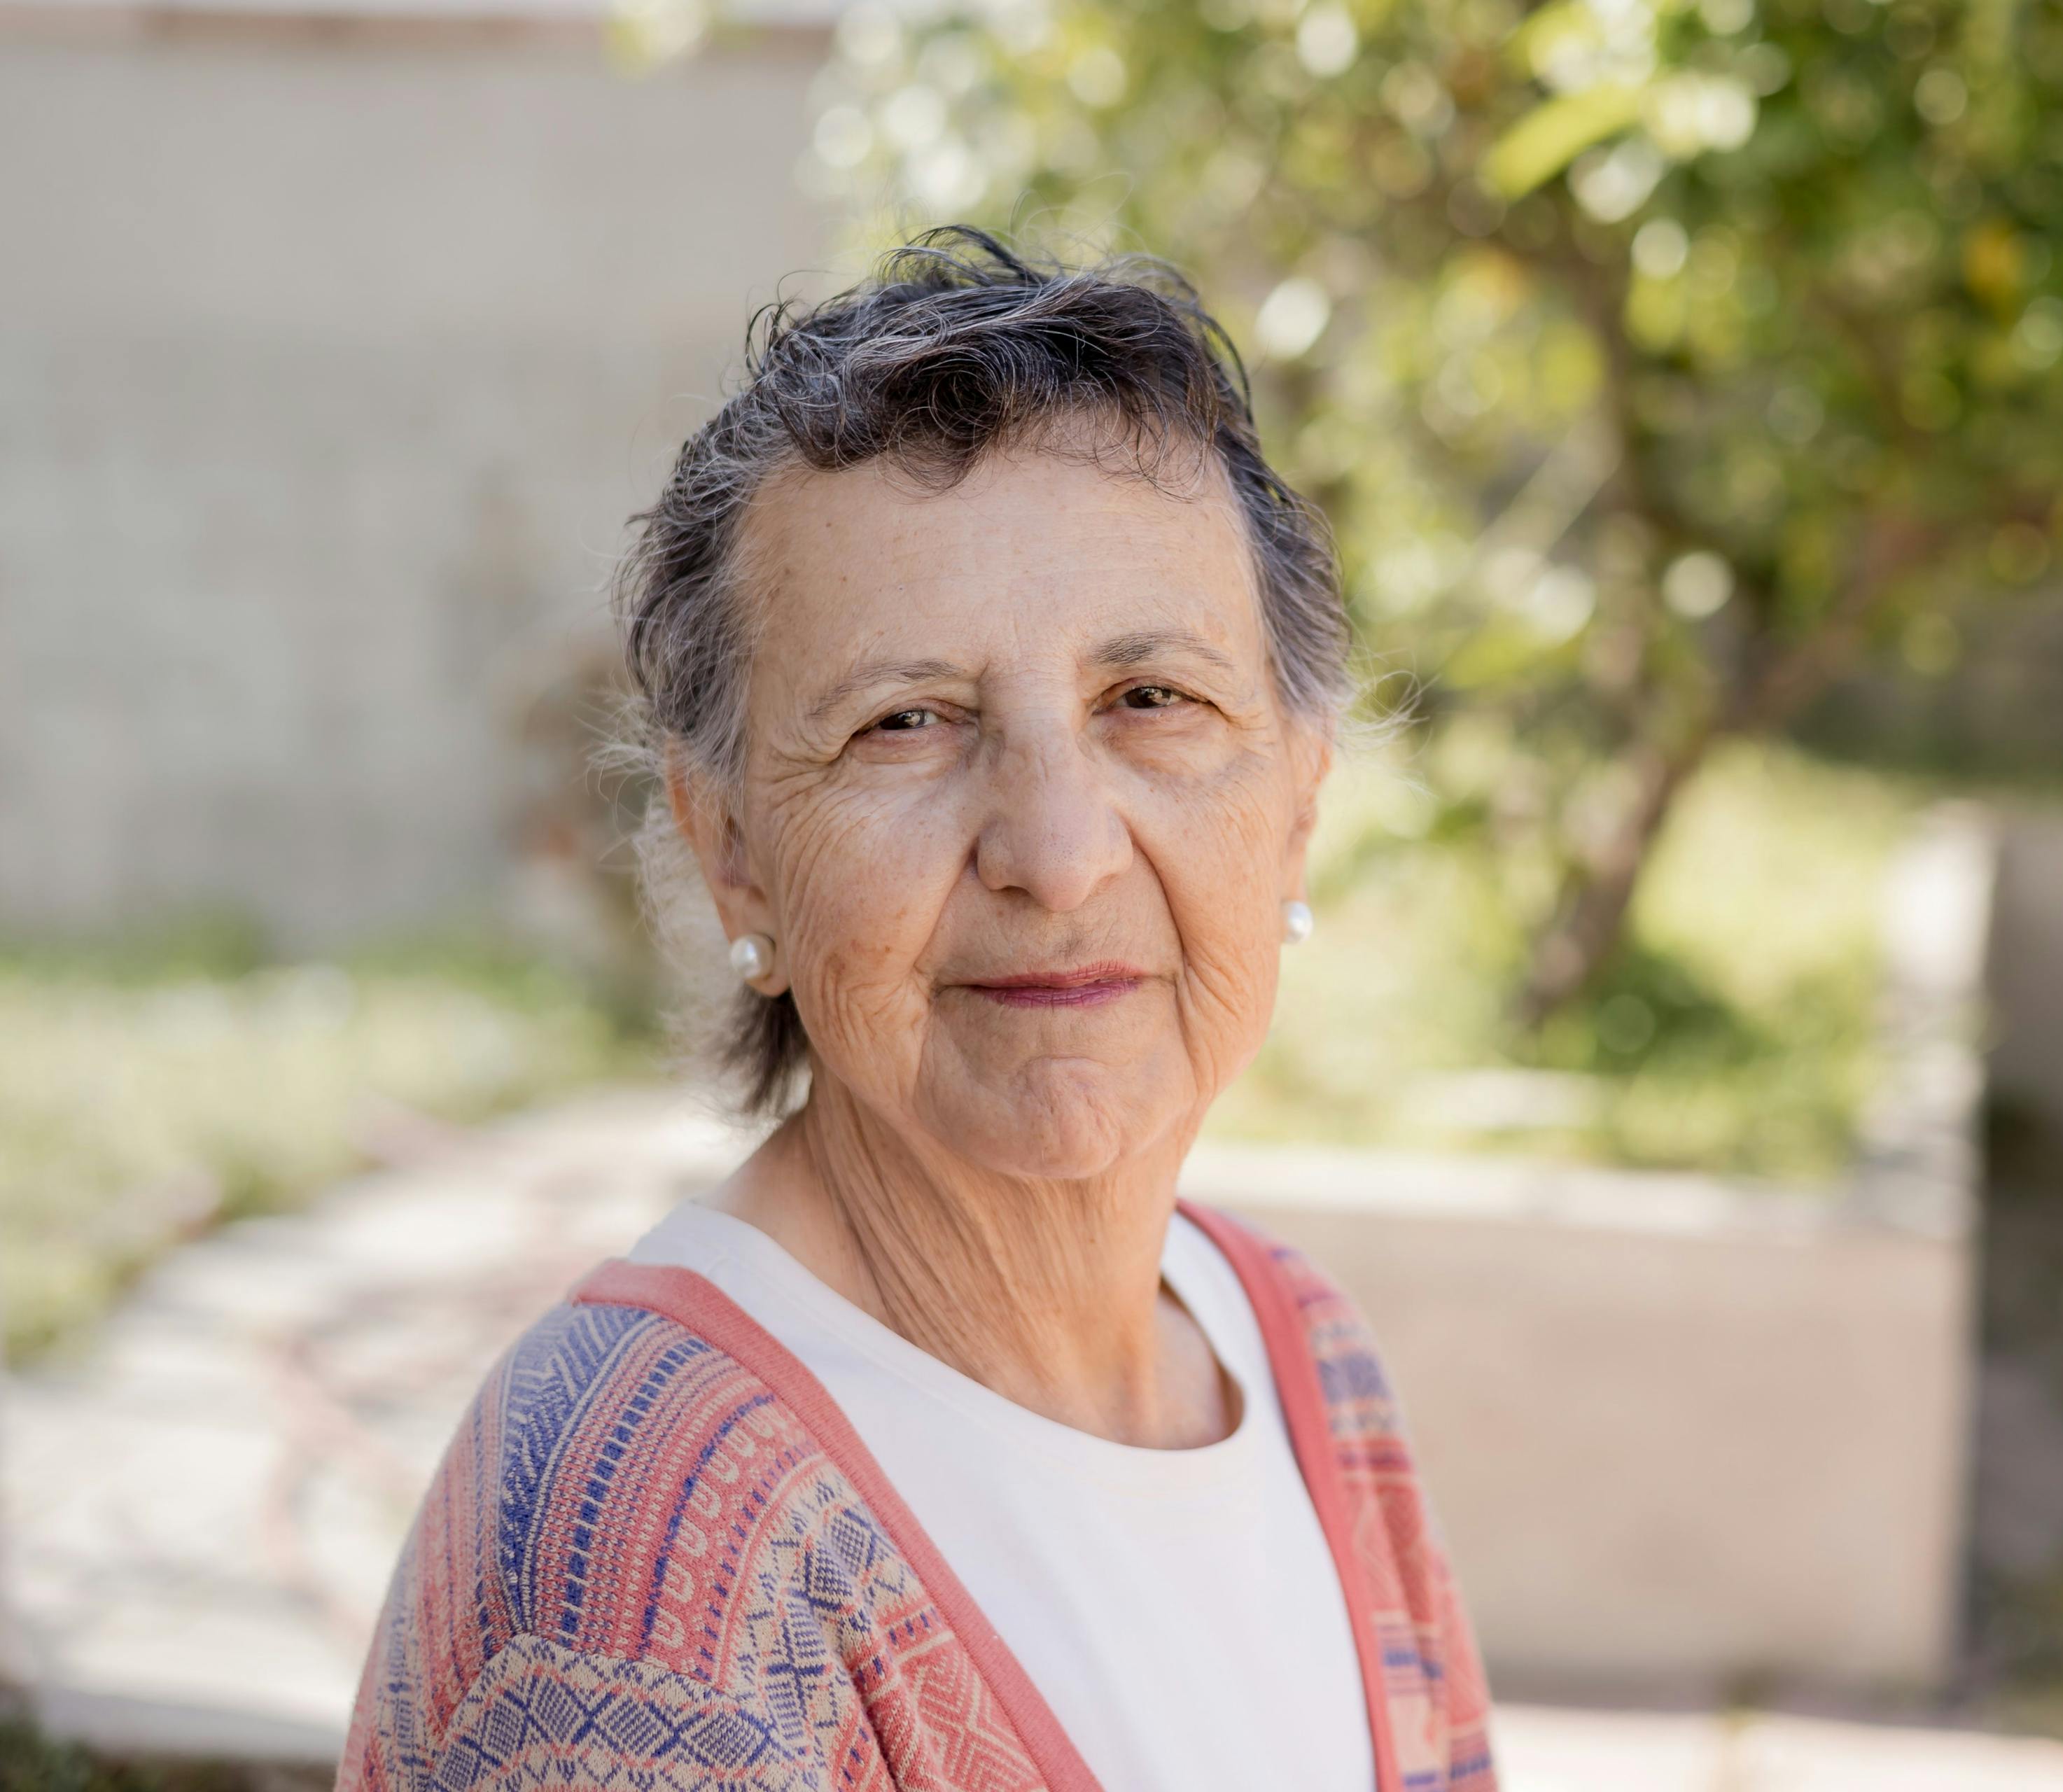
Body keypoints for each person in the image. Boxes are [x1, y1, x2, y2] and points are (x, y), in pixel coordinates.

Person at [340, 228, 1493, 1792]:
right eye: (907, 722)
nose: (1058, 852)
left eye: (1151, 699)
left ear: (1295, 800)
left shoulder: (1298, 1352)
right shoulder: (636, 1562)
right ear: (732, 849)